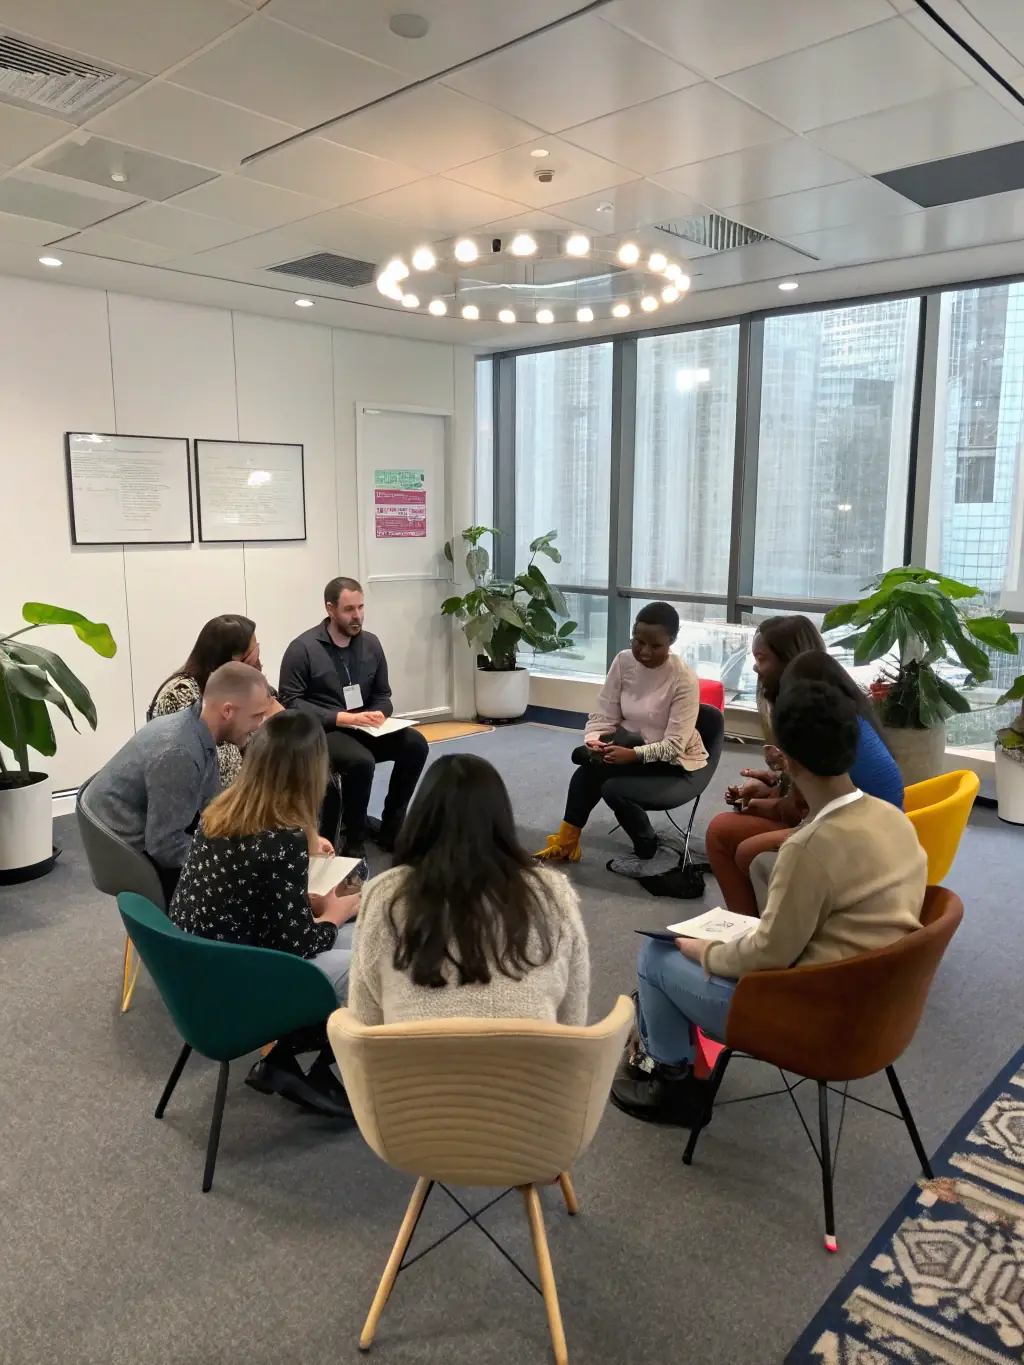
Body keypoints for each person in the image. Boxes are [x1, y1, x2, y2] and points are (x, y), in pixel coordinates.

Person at [610, 678, 928, 1126]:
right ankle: (671, 1059)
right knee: (697, 946)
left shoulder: (808, 848)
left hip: (812, 1017)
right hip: (880, 1010)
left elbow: (770, 955)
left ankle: (674, 1087)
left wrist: (708, 954)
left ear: (788, 759)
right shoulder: (893, 819)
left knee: (656, 955)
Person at [170, 710, 359, 1118]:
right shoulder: (281, 838)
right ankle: (313, 1062)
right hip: (245, 988)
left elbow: (250, 901)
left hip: (197, 978)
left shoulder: (219, 812)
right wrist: (336, 912)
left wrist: (309, 906)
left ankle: (292, 1059)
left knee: (363, 937)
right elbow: (300, 945)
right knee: (374, 959)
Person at [348, 754, 589, 1026]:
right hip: (530, 1054)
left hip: (411, 1054)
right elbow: (573, 1020)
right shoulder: (551, 892)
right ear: (501, 819)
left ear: (421, 818)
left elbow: (364, 1024)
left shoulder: (385, 894)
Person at [535, 602, 707, 877]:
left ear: (672, 642)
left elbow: (674, 745)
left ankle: (648, 848)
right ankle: (566, 842)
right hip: (628, 742)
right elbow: (604, 713)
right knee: (588, 767)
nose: (645, 651)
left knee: (612, 787)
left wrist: (634, 755)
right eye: (638, 641)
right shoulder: (624, 661)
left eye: (656, 645)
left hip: (673, 759)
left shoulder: (683, 679)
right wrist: (594, 739)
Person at [81, 662, 270, 903]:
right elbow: (165, 846)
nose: (259, 725)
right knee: (239, 888)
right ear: (228, 711)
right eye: (256, 716)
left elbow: (213, 805)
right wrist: (232, 860)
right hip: (127, 846)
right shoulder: (180, 753)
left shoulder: (198, 726)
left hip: (142, 827)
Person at [278, 576, 429, 856]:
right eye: (349, 609)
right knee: (361, 761)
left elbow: (383, 695)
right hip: (323, 732)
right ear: (330, 609)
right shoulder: (303, 649)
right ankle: (354, 838)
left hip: (364, 727)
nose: (357, 616)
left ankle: (392, 828)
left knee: (416, 745)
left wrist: (379, 713)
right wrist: (342, 718)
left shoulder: (370, 644)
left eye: (360, 607)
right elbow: (290, 703)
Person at [705, 615, 826, 917]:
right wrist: (774, 782)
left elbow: (813, 802)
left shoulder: (810, 713)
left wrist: (769, 803)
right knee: (731, 831)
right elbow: (810, 781)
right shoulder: (826, 697)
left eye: (762, 658)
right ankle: (752, 925)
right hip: (840, 814)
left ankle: (751, 928)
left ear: (790, 661)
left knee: (731, 839)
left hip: (842, 826)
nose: (755, 667)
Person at [147, 614, 282, 787]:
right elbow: (221, 767)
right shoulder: (181, 694)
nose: (258, 662)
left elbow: (280, 731)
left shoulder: (235, 687)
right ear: (232, 660)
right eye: (253, 655)